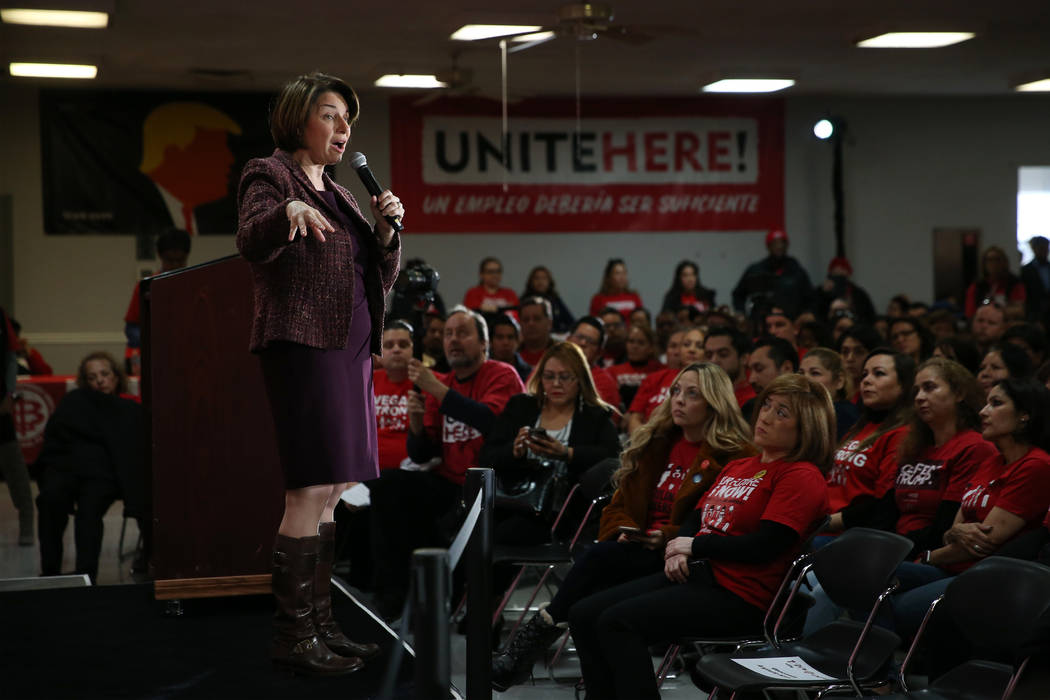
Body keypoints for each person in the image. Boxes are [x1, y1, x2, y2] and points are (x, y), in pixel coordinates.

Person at [235, 72, 404, 675]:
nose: (343, 128)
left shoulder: (340, 191)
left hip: (351, 348)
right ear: (298, 120)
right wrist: (288, 211)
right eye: (331, 115)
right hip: (305, 347)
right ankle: (291, 633)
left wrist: (385, 232)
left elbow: (375, 280)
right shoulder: (270, 174)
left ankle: (323, 623)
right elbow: (252, 239)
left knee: (334, 488)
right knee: (308, 487)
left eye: (347, 119)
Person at [491, 362, 755, 691]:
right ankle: (547, 652)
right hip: (635, 548)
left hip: (681, 557)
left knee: (597, 564)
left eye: (692, 394)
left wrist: (668, 537)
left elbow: (720, 521)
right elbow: (615, 505)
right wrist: (623, 527)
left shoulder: (736, 456)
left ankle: (530, 644)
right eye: (675, 391)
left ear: (715, 402)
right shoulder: (655, 443)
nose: (679, 400)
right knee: (585, 605)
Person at [568, 373, 832, 699]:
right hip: (700, 577)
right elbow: (698, 516)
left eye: (782, 413)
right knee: (583, 614)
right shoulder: (742, 465)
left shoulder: (801, 475)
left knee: (617, 622)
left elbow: (766, 546)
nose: (764, 416)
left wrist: (694, 545)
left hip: (743, 596)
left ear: (807, 428)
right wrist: (678, 551)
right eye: (767, 405)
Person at [369, 307, 525, 619]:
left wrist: (438, 390)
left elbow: (491, 422)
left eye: (463, 333)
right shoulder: (443, 381)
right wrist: (415, 424)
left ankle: (441, 597)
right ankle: (394, 595)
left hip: (494, 487)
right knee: (389, 484)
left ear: (483, 344)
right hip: (450, 482)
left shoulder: (501, 374)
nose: (453, 340)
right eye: (449, 334)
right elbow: (422, 454)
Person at [886, 377, 1050, 639]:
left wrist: (929, 556)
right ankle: (879, 674)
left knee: (901, 608)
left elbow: (983, 543)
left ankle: (883, 673)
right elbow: (953, 531)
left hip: (986, 578)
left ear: (1024, 415)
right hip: (950, 568)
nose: (983, 412)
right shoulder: (992, 461)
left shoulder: (1036, 466)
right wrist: (954, 536)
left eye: (995, 404)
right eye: (985, 403)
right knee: (865, 572)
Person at [480, 342, 620, 563]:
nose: (555, 384)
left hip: (562, 510)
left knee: (499, 535)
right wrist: (515, 451)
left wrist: (568, 453)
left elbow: (614, 460)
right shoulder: (521, 406)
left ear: (580, 380)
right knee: (472, 525)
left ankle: (490, 593)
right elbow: (488, 456)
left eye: (565, 377)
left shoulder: (596, 415)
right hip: (514, 498)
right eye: (549, 376)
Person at [35, 352, 145, 583]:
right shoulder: (74, 402)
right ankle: (50, 574)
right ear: (85, 382)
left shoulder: (129, 407)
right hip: (67, 468)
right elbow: (56, 438)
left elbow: (133, 451)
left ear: (116, 377)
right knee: (50, 500)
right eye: (92, 377)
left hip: (104, 474)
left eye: (105, 374)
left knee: (89, 510)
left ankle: (85, 576)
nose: (100, 381)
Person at [893, 358, 997, 555]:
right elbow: (890, 512)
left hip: (931, 552)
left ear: (958, 393)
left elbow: (946, 525)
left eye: (929, 388)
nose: (919, 397)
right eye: (917, 390)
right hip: (899, 544)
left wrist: (888, 548)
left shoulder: (974, 447)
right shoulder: (914, 446)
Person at [824, 350, 915, 536]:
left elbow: (882, 503)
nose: (866, 380)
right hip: (824, 526)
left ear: (903, 385)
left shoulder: (902, 434)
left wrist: (824, 523)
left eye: (879, 373)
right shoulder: (858, 428)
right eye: (864, 374)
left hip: (850, 535)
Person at [123, 227, 191, 375]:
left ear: (187, 257)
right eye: (169, 260)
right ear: (160, 256)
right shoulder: (147, 286)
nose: (174, 265)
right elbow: (132, 327)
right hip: (152, 356)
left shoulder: (194, 285)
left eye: (180, 261)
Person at [1, 308, 34, 545]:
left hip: (0, 402)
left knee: (14, 467)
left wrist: (9, 393)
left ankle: (27, 525)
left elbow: (11, 357)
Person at [732, 229, 814, 319]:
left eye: (782, 243)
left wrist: (806, 313)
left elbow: (810, 298)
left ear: (787, 245)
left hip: (790, 322)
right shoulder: (755, 270)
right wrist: (740, 312)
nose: (779, 246)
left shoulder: (797, 271)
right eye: (775, 243)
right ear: (768, 246)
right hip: (760, 323)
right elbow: (738, 294)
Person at [373, 321, 415, 471]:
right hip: (364, 475)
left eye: (403, 345)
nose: (396, 350)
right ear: (380, 352)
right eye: (389, 345)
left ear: (414, 349)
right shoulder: (366, 381)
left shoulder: (430, 382)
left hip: (410, 473)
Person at [799, 348, 859, 440]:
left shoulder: (846, 416)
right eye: (801, 373)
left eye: (815, 373)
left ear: (839, 381)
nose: (804, 379)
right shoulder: (800, 412)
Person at [567, 316, 623, 412]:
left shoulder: (605, 383)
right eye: (579, 337)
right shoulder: (548, 369)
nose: (583, 343)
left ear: (599, 352)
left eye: (590, 341)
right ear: (568, 339)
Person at [607, 323, 664, 409]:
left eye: (641, 343)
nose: (634, 346)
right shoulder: (611, 372)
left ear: (651, 348)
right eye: (631, 341)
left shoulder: (661, 371)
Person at [742, 336, 799, 420]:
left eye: (759, 369)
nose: (751, 379)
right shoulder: (750, 409)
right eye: (750, 371)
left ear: (787, 368)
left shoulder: (808, 410)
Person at [964, 246, 1026, 318]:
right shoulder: (977, 286)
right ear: (984, 263)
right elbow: (970, 313)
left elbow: (1020, 310)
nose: (993, 264)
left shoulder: (1014, 283)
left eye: (997, 260)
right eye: (990, 260)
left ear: (1004, 262)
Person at [703, 326, 755, 408]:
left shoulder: (754, 398)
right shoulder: (703, 392)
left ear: (744, 359)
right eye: (709, 355)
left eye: (723, 354)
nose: (713, 361)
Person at [815, 256, 875, 323]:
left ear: (848, 274)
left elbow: (869, 317)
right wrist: (823, 294)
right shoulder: (821, 291)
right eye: (835, 274)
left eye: (842, 274)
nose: (839, 278)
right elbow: (815, 313)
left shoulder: (859, 294)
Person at [521, 265, 574, 333]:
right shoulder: (525, 301)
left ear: (549, 281)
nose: (540, 282)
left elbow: (571, 322)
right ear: (531, 281)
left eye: (544, 278)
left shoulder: (555, 300)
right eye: (537, 278)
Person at [837, 325, 884, 400]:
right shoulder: (832, 394)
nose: (850, 358)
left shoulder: (877, 397)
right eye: (845, 352)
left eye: (859, 352)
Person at [487, 313, 533, 382]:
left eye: (510, 337)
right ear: (490, 342)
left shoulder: (529, 373)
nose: (505, 342)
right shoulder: (481, 371)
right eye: (500, 337)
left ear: (518, 341)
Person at [517, 296, 554, 366]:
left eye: (537, 319)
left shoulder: (561, 354)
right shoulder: (511, 355)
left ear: (549, 323)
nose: (531, 324)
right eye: (526, 319)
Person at [1021, 236, 1050, 323]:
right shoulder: (1026, 270)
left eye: (1046, 247)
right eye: (1041, 248)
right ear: (1033, 249)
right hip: (1035, 313)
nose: (1044, 250)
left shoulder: (1048, 267)